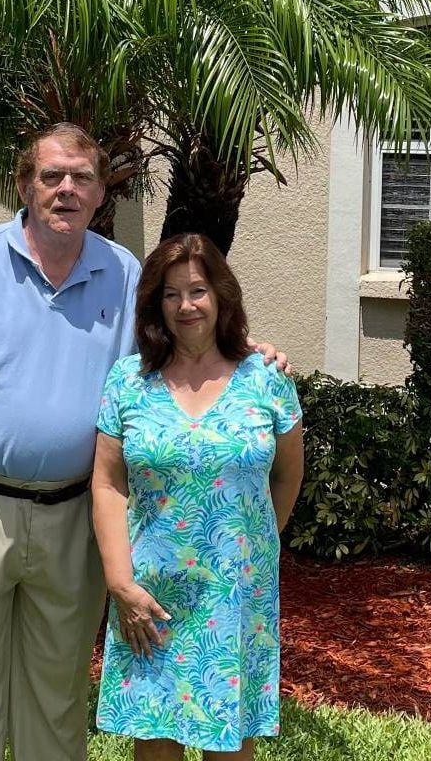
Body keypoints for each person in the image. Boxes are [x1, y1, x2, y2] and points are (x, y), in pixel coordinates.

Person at [0, 123, 286, 761]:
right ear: (25, 185)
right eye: (51, 176)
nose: (66, 190)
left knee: (58, 699)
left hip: (77, 515)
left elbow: (178, 348)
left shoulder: (125, 273)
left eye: (82, 178)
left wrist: (248, 357)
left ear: (103, 192)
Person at [90, 233, 305, 760]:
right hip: (152, 595)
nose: (186, 305)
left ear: (222, 297)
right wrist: (120, 582)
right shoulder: (128, 381)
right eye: (170, 294)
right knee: (156, 740)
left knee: (229, 742)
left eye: (199, 291)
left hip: (236, 595)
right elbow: (107, 482)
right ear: (154, 305)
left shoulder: (266, 380)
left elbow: (288, 476)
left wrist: (252, 543)